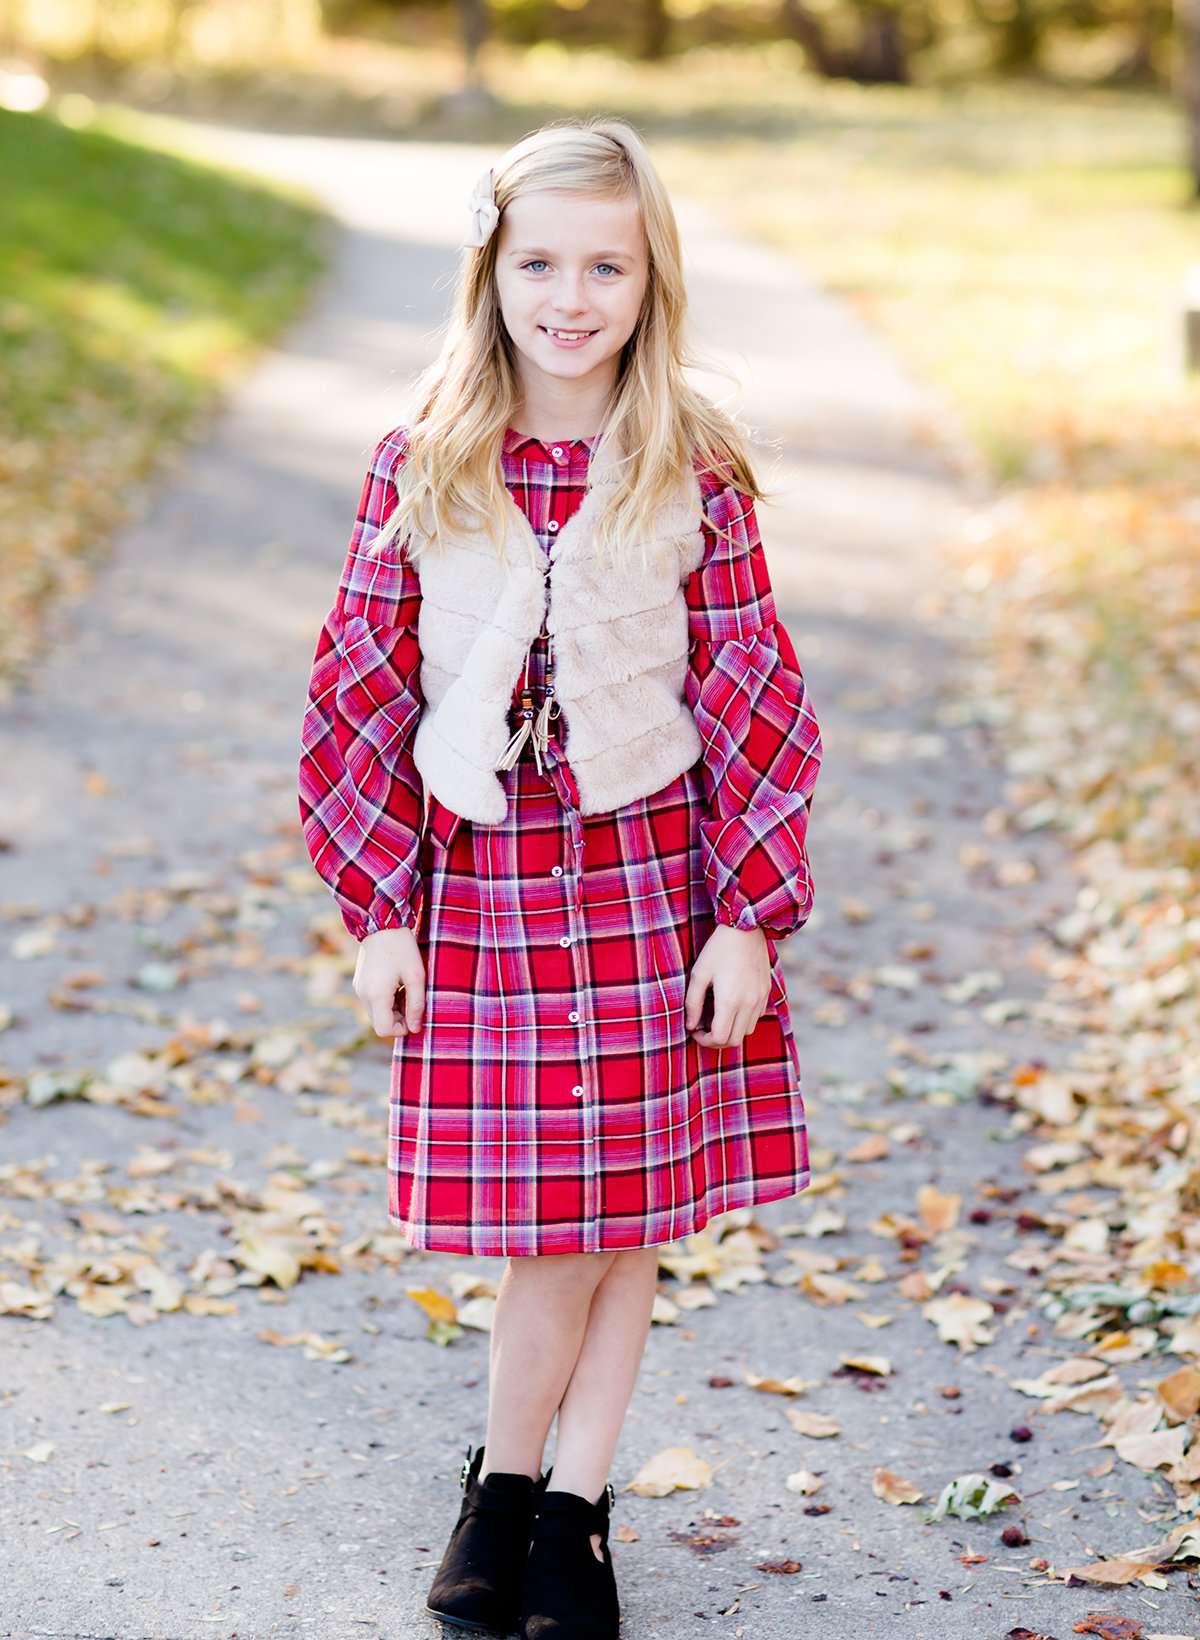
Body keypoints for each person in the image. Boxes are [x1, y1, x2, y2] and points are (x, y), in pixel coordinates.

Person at [297, 116, 823, 1640]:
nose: (571, 296)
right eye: (540, 262)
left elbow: (753, 692)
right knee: (551, 1219)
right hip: (487, 881)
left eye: (606, 265)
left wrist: (748, 914)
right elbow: (356, 693)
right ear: (491, 271)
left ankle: (565, 1516)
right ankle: (506, 1486)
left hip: (651, 872)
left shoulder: (689, 462)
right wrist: (377, 904)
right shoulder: (423, 459)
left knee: (623, 1205)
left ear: (650, 277)